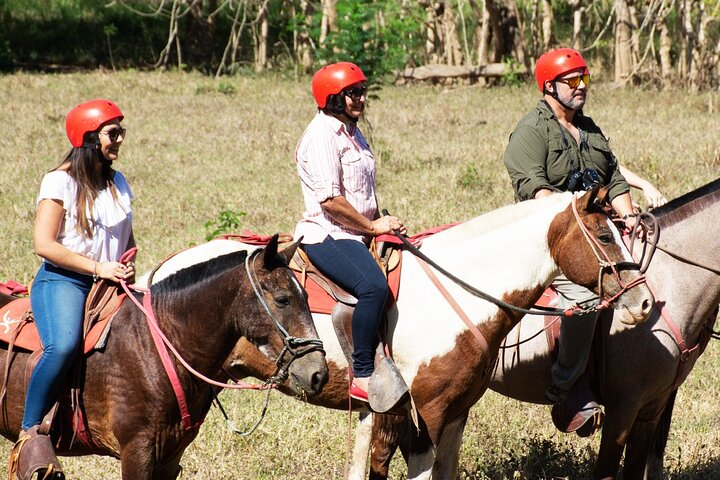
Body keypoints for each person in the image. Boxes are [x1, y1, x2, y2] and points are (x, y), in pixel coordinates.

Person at [503, 48, 649, 410]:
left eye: (585, 79)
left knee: (649, 261)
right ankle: (565, 386)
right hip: (553, 236)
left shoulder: (588, 127)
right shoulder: (529, 132)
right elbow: (531, 188)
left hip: (597, 228)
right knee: (585, 297)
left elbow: (613, 179)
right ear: (550, 86)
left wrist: (630, 220)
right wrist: (577, 220)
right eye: (573, 81)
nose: (582, 86)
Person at [12, 99, 135, 476]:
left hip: (111, 279)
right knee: (63, 345)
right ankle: (29, 432)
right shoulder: (59, 181)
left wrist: (128, 264)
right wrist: (98, 267)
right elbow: (44, 244)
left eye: (121, 132)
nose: (119, 140)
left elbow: (128, 237)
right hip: (64, 280)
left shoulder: (119, 182)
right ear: (88, 138)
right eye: (112, 133)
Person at [293, 62, 406, 403]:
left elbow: (362, 191)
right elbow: (330, 200)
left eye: (362, 91)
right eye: (351, 93)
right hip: (329, 234)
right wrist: (371, 226)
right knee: (372, 286)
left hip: (360, 231)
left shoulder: (353, 132)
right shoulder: (322, 136)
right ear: (332, 98)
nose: (360, 99)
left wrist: (381, 223)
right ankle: (362, 374)